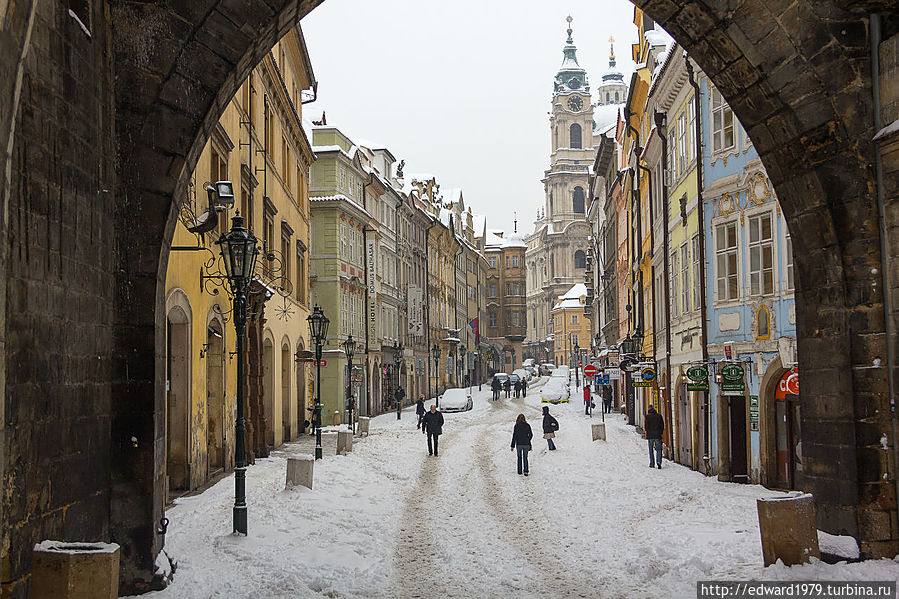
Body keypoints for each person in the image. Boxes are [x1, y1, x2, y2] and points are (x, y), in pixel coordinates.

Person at [645, 405, 665, 469]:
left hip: (650, 436)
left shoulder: (647, 417)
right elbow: (662, 425)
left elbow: (646, 427)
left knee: (651, 450)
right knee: (659, 449)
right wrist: (660, 433)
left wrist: (647, 432)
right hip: (657, 435)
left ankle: (652, 463)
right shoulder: (659, 416)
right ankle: (659, 461)